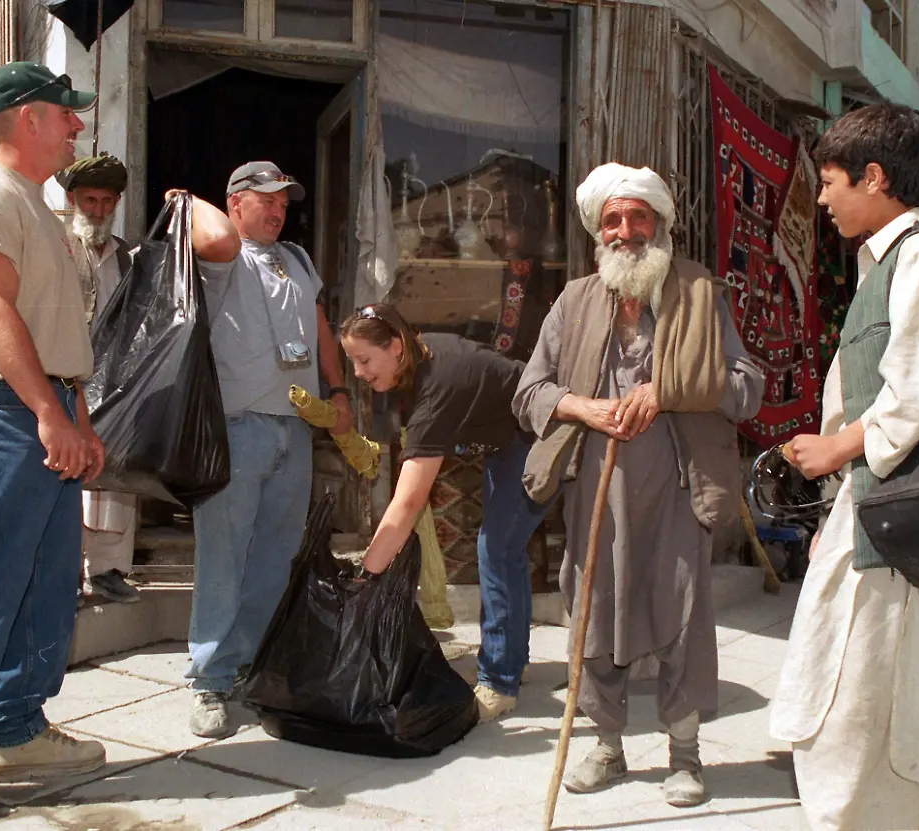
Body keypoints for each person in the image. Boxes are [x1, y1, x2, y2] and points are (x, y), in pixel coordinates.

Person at [513, 163, 764, 807]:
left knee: (680, 614)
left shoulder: (700, 294)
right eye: (613, 219)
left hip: (677, 489)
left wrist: (671, 389)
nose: (627, 230)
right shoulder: (574, 301)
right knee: (593, 616)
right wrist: (583, 407)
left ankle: (684, 755)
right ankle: (607, 745)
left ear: (660, 224)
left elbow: (748, 388)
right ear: (599, 231)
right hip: (594, 485)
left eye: (639, 216)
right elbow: (530, 392)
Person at [770, 103, 919, 830]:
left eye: (830, 182)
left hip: (899, 527)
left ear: (875, 177)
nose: (822, 200)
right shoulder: (886, 263)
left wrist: (840, 445)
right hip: (871, 514)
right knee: (853, 705)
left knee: (870, 710)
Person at [0, 62, 108, 814]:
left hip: (41, 408)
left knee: (45, 590)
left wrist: (76, 413)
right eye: (65, 114)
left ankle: (15, 727)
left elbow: (51, 327)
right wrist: (46, 411)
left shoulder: (37, 203)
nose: (76, 126)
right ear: (29, 117)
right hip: (2, 412)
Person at [186, 161, 349, 740]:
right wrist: (184, 197)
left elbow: (319, 326)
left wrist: (337, 389)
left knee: (274, 559)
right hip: (238, 425)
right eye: (265, 199)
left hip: (295, 427)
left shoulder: (298, 260)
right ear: (235, 204)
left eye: (284, 200)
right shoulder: (221, 256)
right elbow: (211, 235)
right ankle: (208, 680)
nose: (278, 209)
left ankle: (250, 668)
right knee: (223, 558)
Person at [341, 303, 546, 720]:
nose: (359, 373)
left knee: (496, 550)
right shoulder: (420, 357)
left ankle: (499, 682)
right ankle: (512, 658)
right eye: (353, 363)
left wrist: (366, 577)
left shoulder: (438, 386)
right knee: (504, 550)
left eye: (364, 360)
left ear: (396, 346)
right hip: (508, 441)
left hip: (538, 438)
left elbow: (409, 502)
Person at [57, 153, 140, 604]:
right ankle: (65, 572)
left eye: (107, 201)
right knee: (69, 476)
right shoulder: (59, 247)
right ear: (73, 200)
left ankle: (108, 570)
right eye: (90, 199)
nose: (98, 209)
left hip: (116, 382)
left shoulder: (128, 256)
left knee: (117, 479)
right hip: (68, 378)